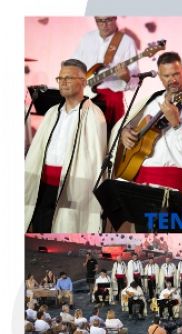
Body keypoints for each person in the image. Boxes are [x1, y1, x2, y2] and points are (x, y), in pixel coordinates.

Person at [112, 51, 182, 199]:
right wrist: (124, 132)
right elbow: (126, 125)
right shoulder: (152, 101)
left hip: (168, 186)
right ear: (159, 76)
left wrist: (176, 123)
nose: (172, 80)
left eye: (176, 74)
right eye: (166, 76)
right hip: (138, 182)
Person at [25, 58, 107, 232]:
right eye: (60, 78)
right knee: (40, 229)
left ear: (84, 82)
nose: (63, 83)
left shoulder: (93, 114)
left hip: (72, 188)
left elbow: (95, 160)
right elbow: (37, 151)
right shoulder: (52, 112)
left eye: (68, 78)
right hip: (44, 186)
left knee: (65, 229)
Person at [71, 16, 140, 132]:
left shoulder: (127, 42)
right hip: (84, 97)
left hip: (111, 101)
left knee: (109, 139)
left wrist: (127, 77)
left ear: (115, 17)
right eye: (99, 20)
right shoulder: (87, 38)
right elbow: (75, 64)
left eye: (108, 20)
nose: (104, 25)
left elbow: (135, 81)